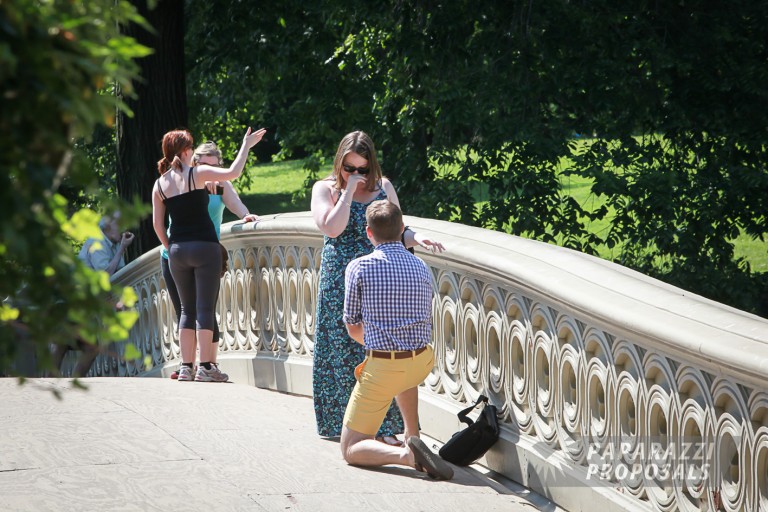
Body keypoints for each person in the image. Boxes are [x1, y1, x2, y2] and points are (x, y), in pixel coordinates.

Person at [310, 130, 445, 443]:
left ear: (373, 166)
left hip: (381, 281)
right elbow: (332, 227)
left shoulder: (383, 188)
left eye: (363, 170)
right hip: (339, 280)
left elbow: (397, 229)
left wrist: (416, 238)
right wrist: (347, 192)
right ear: (339, 164)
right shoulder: (325, 189)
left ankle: (384, 428)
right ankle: (344, 425)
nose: (357, 175)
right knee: (342, 350)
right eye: (349, 168)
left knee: (382, 352)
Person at [339, 200, 453, 480]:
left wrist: (379, 340)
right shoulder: (421, 266)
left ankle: (407, 455)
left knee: (351, 448)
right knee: (403, 373)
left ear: (369, 232)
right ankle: (412, 434)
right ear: (402, 229)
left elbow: (352, 325)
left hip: (386, 367)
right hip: (422, 360)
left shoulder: (359, 267)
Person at [152, 127, 266, 382]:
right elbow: (234, 173)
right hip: (205, 247)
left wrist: (170, 248)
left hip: (177, 252)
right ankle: (206, 366)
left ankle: (185, 367)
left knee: (185, 311)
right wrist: (245, 145)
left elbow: (158, 226)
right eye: (190, 147)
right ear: (185, 152)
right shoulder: (198, 175)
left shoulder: (160, 184)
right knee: (204, 309)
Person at [52, 212, 136, 376]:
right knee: (65, 340)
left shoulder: (113, 245)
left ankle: (71, 382)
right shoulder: (96, 242)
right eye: (120, 224)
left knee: (88, 346)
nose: (124, 228)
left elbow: (120, 275)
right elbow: (105, 276)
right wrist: (122, 249)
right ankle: (49, 379)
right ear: (107, 227)